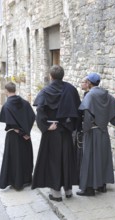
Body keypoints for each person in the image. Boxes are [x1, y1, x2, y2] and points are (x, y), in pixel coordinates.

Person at [31, 65, 81, 201]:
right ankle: (69, 191)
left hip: (52, 131)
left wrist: (46, 126)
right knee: (67, 159)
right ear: (62, 75)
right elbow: (78, 110)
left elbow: (40, 111)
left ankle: (56, 194)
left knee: (54, 161)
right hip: (66, 131)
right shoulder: (71, 89)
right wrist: (72, 126)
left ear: (51, 76)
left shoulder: (45, 91)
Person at [76, 72, 115, 196]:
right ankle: (102, 185)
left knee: (89, 159)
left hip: (92, 132)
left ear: (89, 83)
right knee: (101, 158)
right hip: (103, 131)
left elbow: (87, 115)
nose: (83, 83)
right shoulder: (105, 93)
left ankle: (89, 189)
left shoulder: (90, 96)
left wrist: (84, 130)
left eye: (85, 81)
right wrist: (110, 121)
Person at [0, 82, 35, 190]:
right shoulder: (25, 103)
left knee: (14, 159)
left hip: (14, 136)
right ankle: (26, 180)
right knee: (25, 157)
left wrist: (22, 133)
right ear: (15, 90)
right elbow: (32, 117)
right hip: (26, 137)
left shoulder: (7, 105)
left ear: (6, 91)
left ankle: (16, 183)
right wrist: (27, 133)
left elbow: (11, 123)